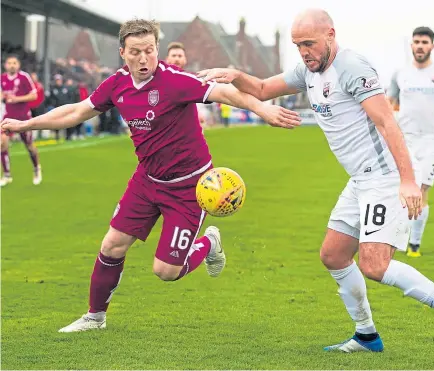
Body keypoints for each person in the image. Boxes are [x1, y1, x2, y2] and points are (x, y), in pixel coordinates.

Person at [196, 9, 434, 352]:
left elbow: (387, 122)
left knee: (374, 264)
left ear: (330, 34)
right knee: (333, 254)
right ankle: (366, 335)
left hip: (386, 177)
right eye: (298, 45)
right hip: (360, 179)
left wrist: (407, 180)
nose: (304, 52)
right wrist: (234, 74)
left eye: (309, 44)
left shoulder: (352, 67)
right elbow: (260, 88)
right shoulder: (307, 70)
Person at [0, 19, 301, 333]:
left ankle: (208, 243)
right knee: (111, 245)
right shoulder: (116, 84)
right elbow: (76, 111)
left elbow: (226, 93)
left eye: (149, 50)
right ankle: (95, 317)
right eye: (135, 52)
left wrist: (264, 110)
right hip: (146, 181)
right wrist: (24, 125)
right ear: (122, 53)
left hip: (189, 187)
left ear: (157, 49)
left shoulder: (175, 81)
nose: (143, 59)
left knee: (166, 271)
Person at [387, 27, 434, 257]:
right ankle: (398, 238)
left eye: (424, 42)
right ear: (411, 45)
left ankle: (414, 244)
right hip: (405, 140)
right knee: (402, 190)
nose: (420, 46)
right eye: (416, 42)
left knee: (420, 191)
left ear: (432, 46)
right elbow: (387, 102)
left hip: (431, 141)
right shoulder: (400, 74)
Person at [0, 55, 42, 186]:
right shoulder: (2, 78)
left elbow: (34, 95)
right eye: (9, 63)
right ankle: (7, 175)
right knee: (2, 143)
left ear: (18, 65)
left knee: (29, 146)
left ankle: (36, 168)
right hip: (7, 116)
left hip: (23, 117)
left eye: (14, 63)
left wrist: (17, 99)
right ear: (5, 65)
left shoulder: (24, 77)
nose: (12, 65)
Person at [165, 41, 208, 128]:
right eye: (173, 56)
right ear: (167, 59)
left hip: (187, 130)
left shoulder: (192, 80)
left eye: (180, 56)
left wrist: (199, 114)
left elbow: (198, 103)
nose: (177, 59)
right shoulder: (159, 80)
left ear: (185, 60)